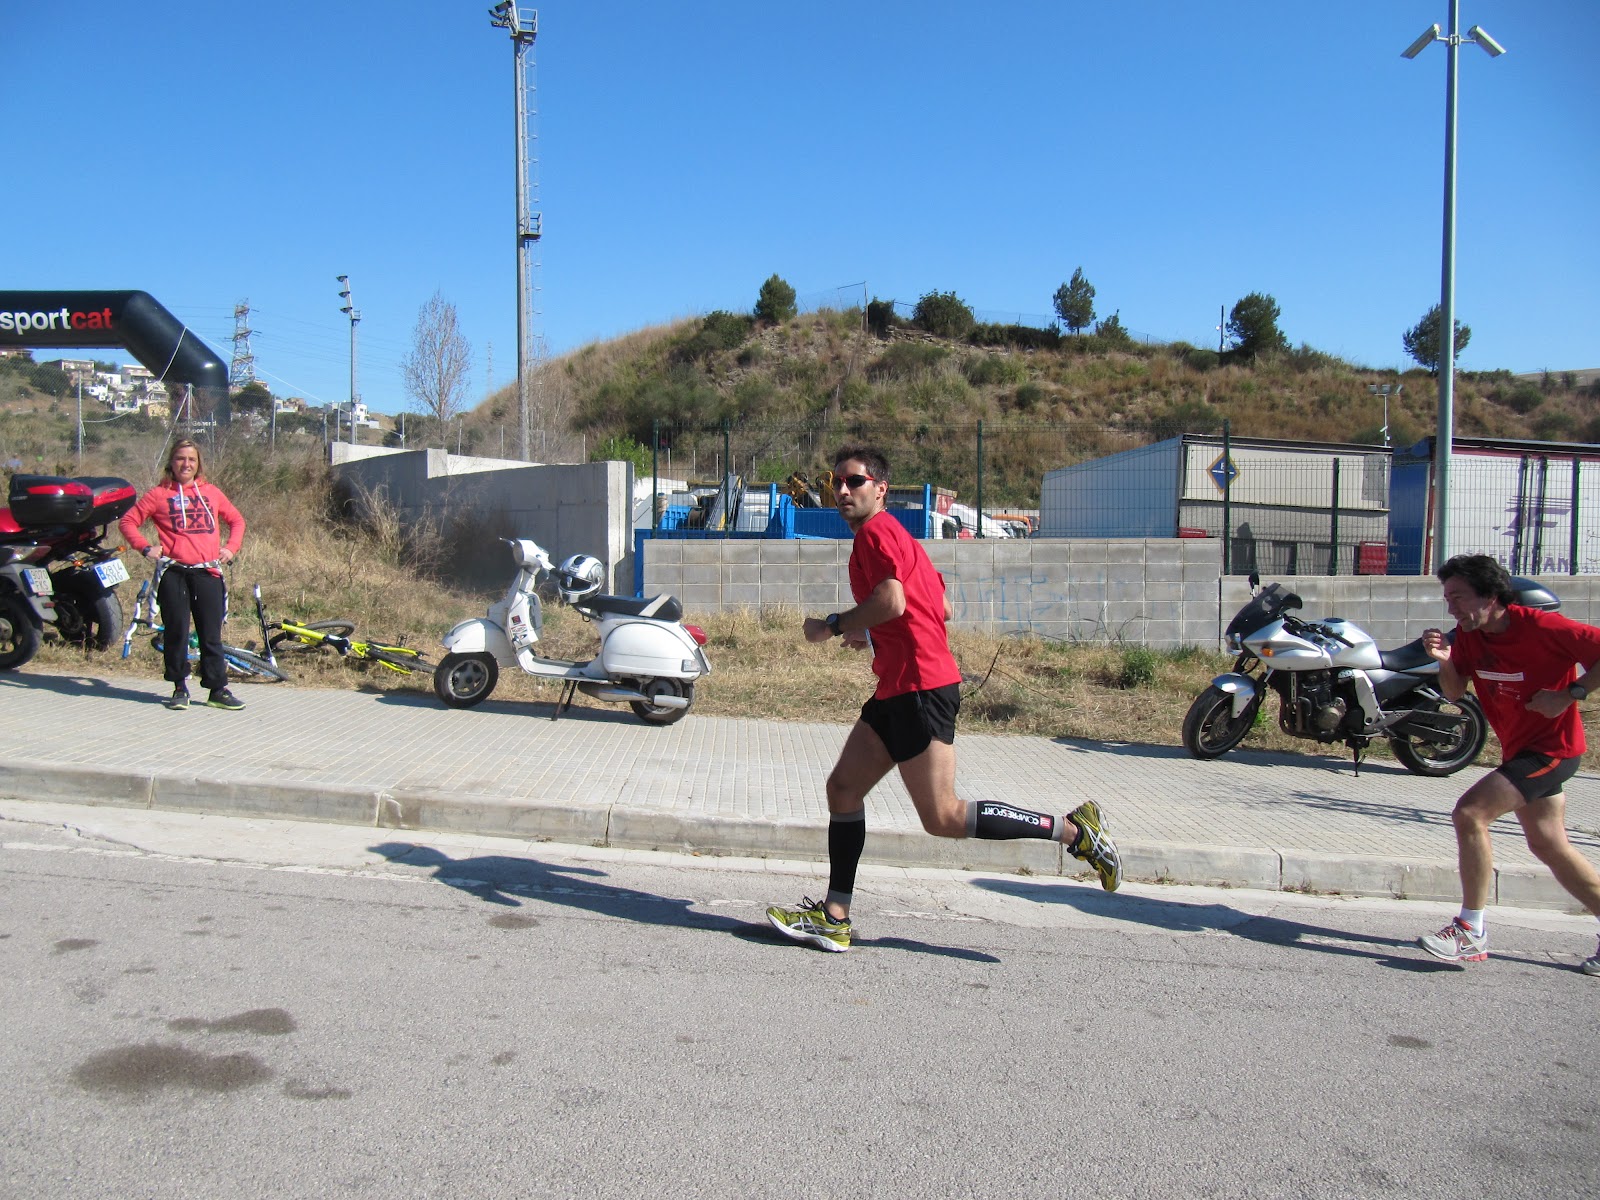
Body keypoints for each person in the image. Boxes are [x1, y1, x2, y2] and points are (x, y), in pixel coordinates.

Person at [766, 445, 1121, 953]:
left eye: (855, 481)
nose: (843, 489)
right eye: (837, 481)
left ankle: (1073, 831)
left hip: (920, 689)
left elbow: (893, 601)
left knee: (944, 817)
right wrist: (873, 633)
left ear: (880, 489)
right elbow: (941, 608)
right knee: (843, 789)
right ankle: (834, 917)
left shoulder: (877, 535)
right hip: (897, 687)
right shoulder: (900, 539)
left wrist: (835, 625)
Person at [1416, 554, 1600, 974]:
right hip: (1520, 751)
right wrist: (1444, 660)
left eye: (1459, 597)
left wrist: (1569, 695)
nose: (1451, 607)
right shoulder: (1471, 635)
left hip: (1552, 750)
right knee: (1549, 845)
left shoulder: (1544, 627)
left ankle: (1470, 931)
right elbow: (1453, 692)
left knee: (1470, 813)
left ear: (1491, 595)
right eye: (1447, 598)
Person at [118, 438, 248, 711]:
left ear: (198, 464)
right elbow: (128, 521)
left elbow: (236, 520)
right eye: (180, 458)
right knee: (176, 632)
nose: (186, 464)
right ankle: (179, 687)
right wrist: (145, 547)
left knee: (210, 634)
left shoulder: (211, 492)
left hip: (207, 572)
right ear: (171, 463)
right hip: (174, 572)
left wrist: (231, 548)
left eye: (191, 459)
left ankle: (217, 689)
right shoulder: (158, 494)